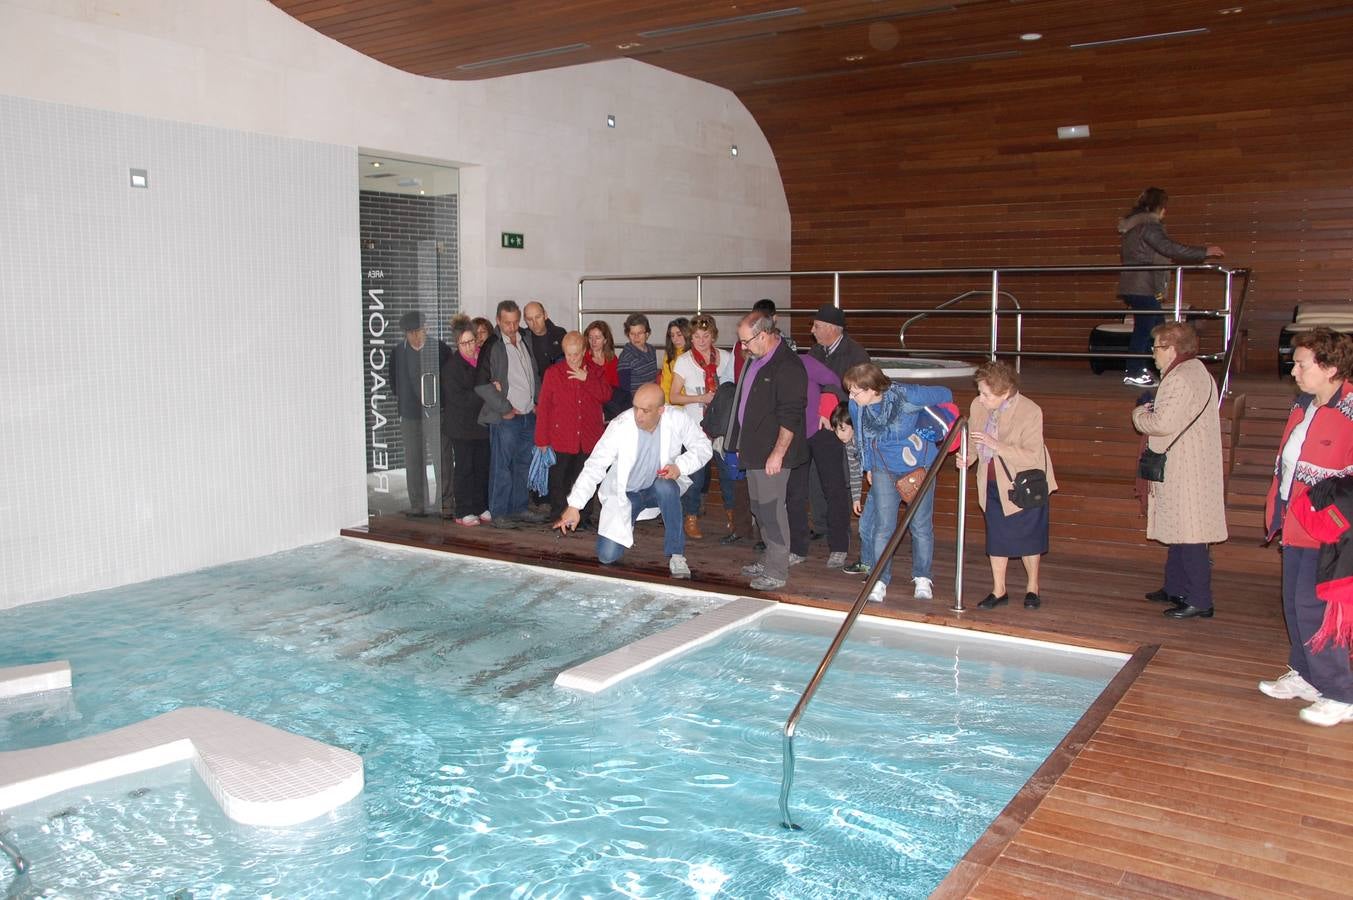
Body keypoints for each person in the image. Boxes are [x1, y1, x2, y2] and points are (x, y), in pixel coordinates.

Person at [1258, 327, 1353, 726]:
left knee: (1315, 610)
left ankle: (1341, 693)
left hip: (1330, 533)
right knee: (1294, 607)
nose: (1293, 370)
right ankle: (1307, 676)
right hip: (1294, 524)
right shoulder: (1304, 406)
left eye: (1300, 364)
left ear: (1329, 367)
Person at [554, 383, 712, 580]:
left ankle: (677, 554)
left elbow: (704, 447)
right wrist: (575, 505)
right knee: (606, 556)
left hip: (657, 488)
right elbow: (595, 465)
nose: (638, 415)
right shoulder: (620, 425)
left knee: (667, 487)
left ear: (661, 410)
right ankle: (626, 524)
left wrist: (680, 466)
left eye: (645, 410)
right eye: (636, 407)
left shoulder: (677, 419)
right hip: (627, 496)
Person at [1130, 322, 1227, 619]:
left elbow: (1160, 423)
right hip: (1194, 460)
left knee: (1191, 534)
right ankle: (1174, 586)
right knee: (1179, 528)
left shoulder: (1179, 378)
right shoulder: (1198, 371)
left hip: (1184, 465)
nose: (1153, 353)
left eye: (1156, 347)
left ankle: (1200, 599)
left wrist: (1138, 414)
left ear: (1171, 348)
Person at [844, 362, 952, 603]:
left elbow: (946, 394)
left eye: (855, 391)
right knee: (883, 526)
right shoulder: (856, 405)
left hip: (917, 467)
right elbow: (862, 439)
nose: (850, 396)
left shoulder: (906, 395)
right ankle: (879, 580)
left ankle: (922, 577)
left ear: (873, 389)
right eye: (850, 390)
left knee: (920, 525)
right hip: (883, 467)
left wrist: (927, 424)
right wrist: (868, 467)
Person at [958, 360, 1056, 610]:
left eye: (986, 394)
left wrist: (995, 444)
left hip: (1023, 484)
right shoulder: (978, 407)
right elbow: (975, 443)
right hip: (991, 481)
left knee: (1030, 538)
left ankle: (1032, 587)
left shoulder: (1030, 411)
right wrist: (967, 458)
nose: (980, 398)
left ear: (1005, 393)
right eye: (979, 392)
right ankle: (998, 589)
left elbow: (1033, 456)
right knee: (997, 538)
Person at [725, 311, 808, 591]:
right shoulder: (755, 360)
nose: (743, 348)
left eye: (746, 341)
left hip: (772, 453)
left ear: (763, 335)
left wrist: (777, 453)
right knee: (759, 508)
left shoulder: (788, 366)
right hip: (753, 449)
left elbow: (791, 415)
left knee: (772, 511)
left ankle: (777, 571)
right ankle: (769, 557)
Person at [1117, 187, 1224, 387]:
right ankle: (1134, 370)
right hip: (1143, 284)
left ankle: (1150, 367)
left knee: (1156, 328)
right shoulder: (1149, 226)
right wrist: (1204, 251)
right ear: (1159, 207)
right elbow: (1168, 248)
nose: (1165, 212)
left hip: (1136, 283)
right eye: (1165, 208)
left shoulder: (1133, 226)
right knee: (1148, 329)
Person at [476, 300, 547, 529]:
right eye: (507, 323)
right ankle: (499, 512)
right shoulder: (491, 345)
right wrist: (505, 408)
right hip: (507, 417)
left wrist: (536, 401)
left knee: (523, 464)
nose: (513, 327)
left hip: (528, 414)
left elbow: (533, 372)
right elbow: (481, 384)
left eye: (516, 322)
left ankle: (519, 507)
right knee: (502, 466)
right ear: (498, 321)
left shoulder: (525, 338)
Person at [807, 303, 871, 545]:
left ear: (833, 329)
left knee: (839, 480)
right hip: (817, 425)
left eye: (817, 326)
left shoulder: (856, 354)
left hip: (842, 425)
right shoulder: (815, 352)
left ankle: (839, 529)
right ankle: (821, 524)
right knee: (815, 475)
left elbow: (862, 390)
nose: (812, 330)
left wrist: (837, 414)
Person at [534, 331, 612, 526]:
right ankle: (558, 515)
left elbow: (606, 395)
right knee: (559, 479)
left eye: (576, 354)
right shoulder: (553, 373)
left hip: (588, 437)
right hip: (561, 437)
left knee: (584, 478)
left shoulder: (594, 371)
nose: (572, 358)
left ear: (584, 351)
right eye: (568, 354)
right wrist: (541, 440)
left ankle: (583, 517)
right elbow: (544, 407)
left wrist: (587, 379)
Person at [789, 348, 856, 569]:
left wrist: (825, 408)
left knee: (833, 488)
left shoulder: (804, 361)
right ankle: (797, 548)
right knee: (795, 492)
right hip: (793, 434)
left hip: (822, 431)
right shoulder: (765, 366)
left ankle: (839, 547)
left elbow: (835, 381)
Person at [670, 314, 735, 539]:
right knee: (695, 476)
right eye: (696, 336)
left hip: (721, 427)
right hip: (695, 427)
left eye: (706, 336)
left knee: (727, 473)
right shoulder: (684, 361)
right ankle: (691, 516)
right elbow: (674, 396)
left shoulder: (726, 358)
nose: (701, 340)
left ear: (713, 336)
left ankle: (732, 516)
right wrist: (701, 399)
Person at [387, 310, 445, 517]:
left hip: (435, 412)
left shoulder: (438, 348)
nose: (415, 336)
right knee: (413, 459)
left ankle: (443, 504)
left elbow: (447, 379)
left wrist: (440, 404)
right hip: (410, 414)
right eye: (410, 333)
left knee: (441, 459)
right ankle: (418, 504)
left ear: (426, 328)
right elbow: (393, 381)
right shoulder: (398, 352)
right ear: (405, 334)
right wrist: (405, 403)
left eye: (419, 331)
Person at [441, 316, 490, 526]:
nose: (470, 347)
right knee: (464, 468)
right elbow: (461, 399)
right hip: (461, 427)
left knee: (482, 467)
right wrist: (485, 392)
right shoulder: (452, 367)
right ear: (457, 344)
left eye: (472, 341)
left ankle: (480, 506)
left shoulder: (482, 360)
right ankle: (463, 510)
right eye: (464, 343)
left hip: (480, 425)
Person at [830, 404, 867, 573]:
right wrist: (856, 498)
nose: (839, 435)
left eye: (842, 429)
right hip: (876, 479)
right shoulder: (849, 444)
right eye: (836, 430)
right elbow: (854, 472)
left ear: (853, 425)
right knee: (866, 526)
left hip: (887, 477)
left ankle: (872, 563)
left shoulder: (866, 438)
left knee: (870, 525)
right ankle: (868, 562)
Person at [521, 300, 567, 388]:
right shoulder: (523, 339)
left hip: (560, 389)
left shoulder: (560, 334)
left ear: (545, 315)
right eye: (530, 319)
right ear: (525, 320)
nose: (535, 323)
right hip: (536, 394)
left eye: (538, 317)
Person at [584, 320, 623, 418]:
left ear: (605, 340)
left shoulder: (612, 359)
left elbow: (615, 387)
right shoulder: (583, 358)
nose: (593, 342)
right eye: (590, 338)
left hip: (608, 400)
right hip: (590, 400)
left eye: (597, 338)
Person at [617, 313, 661, 393]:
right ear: (628, 335)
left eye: (640, 333)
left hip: (652, 395)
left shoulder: (652, 350)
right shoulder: (626, 357)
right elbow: (625, 389)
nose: (636, 337)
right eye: (632, 334)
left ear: (647, 334)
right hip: (637, 400)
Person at [659, 317, 692, 402]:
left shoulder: (695, 354)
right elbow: (665, 383)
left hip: (693, 402)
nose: (675, 339)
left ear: (687, 334)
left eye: (679, 334)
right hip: (673, 404)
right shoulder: (669, 355)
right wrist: (666, 405)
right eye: (672, 335)